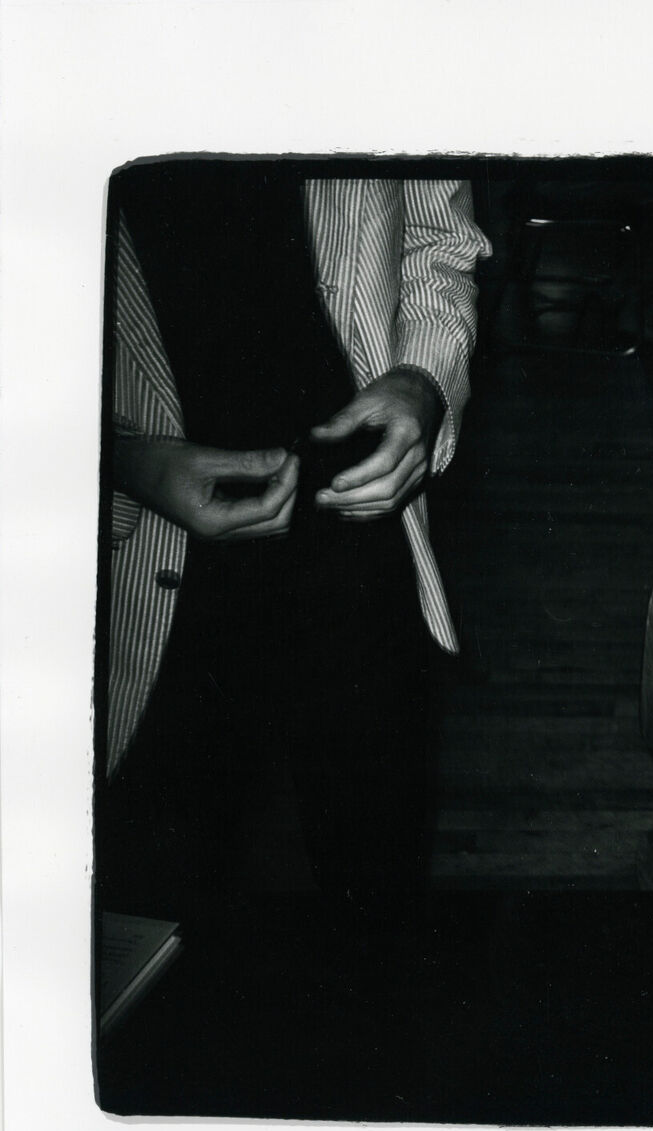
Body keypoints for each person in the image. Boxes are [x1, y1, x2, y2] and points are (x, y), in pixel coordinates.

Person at [95, 165, 491, 964]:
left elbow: (441, 243)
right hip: (138, 563)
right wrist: (125, 459)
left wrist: (424, 382)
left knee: (377, 914)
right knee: (152, 934)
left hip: (359, 528)